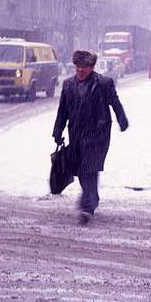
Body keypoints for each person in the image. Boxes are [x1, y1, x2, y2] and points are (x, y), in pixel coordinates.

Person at [52, 49, 129, 225]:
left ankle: (87, 207)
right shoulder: (68, 85)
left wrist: (122, 120)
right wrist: (58, 131)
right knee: (82, 170)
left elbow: (115, 102)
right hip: (77, 134)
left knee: (89, 167)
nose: (80, 70)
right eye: (78, 67)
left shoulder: (103, 83)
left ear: (92, 67)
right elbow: (62, 111)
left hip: (98, 135)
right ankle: (92, 197)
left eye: (84, 67)